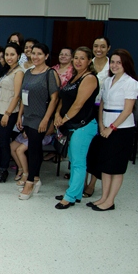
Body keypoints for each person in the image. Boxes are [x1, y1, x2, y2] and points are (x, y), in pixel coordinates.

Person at [88, 49, 138, 211]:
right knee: (105, 165)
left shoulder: (131, 82)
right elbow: (102, 103)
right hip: (105, 127)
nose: (115, 65)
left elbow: (128, 110)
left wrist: (111, 127)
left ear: (125, 64)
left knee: (116, 167)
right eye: (113, 62)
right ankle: (103, 197)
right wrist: (102, 124)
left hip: (121, 130)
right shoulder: (108, 81)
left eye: (119, 62)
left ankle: (110, 201)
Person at [53, 46, 99, 209]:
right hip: (70, 124)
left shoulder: (89, 78)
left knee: (79, 163)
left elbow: (78, 104)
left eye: (82, 58)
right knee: (73, 161)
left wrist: (63, 119)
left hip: (83, 126)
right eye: (76, 58)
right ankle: (76, 192)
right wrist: (58, 114)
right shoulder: (74, 76)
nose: (78, 61)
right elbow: (63, 98)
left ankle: (70, 196)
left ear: (89, 61)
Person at [16, 43, 60, 200]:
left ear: (46, 56)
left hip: (41, 117)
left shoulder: (50, 74)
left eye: (39, 54)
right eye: (33, 53)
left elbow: (55, 99)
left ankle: (30, 182)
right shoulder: (28, 72)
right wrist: (20, 115)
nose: (35, 56)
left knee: (34, 148)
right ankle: (35, 178)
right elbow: (23, 96)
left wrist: (46, 119)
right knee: (32, 148)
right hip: (28, 116)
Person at [0, 43, 24, 184]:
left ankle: (3, 172)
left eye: (12, 54)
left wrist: (8, 114)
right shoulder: (7, 70)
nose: (9, 57)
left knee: (4, 143)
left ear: (19, 56)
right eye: (7, 54)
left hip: (7, 113)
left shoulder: (19, 72)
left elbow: (16, 96)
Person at [84, 36, 113, 196]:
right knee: (84, 148)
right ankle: (82, 180)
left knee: (98, 148)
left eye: (102, 46)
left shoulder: (112, 66)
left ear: (108, 48)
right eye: (96, 46)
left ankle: (92, 183)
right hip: (87, 109)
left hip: (104, 110)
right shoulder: (88, 63)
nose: (98, 50)